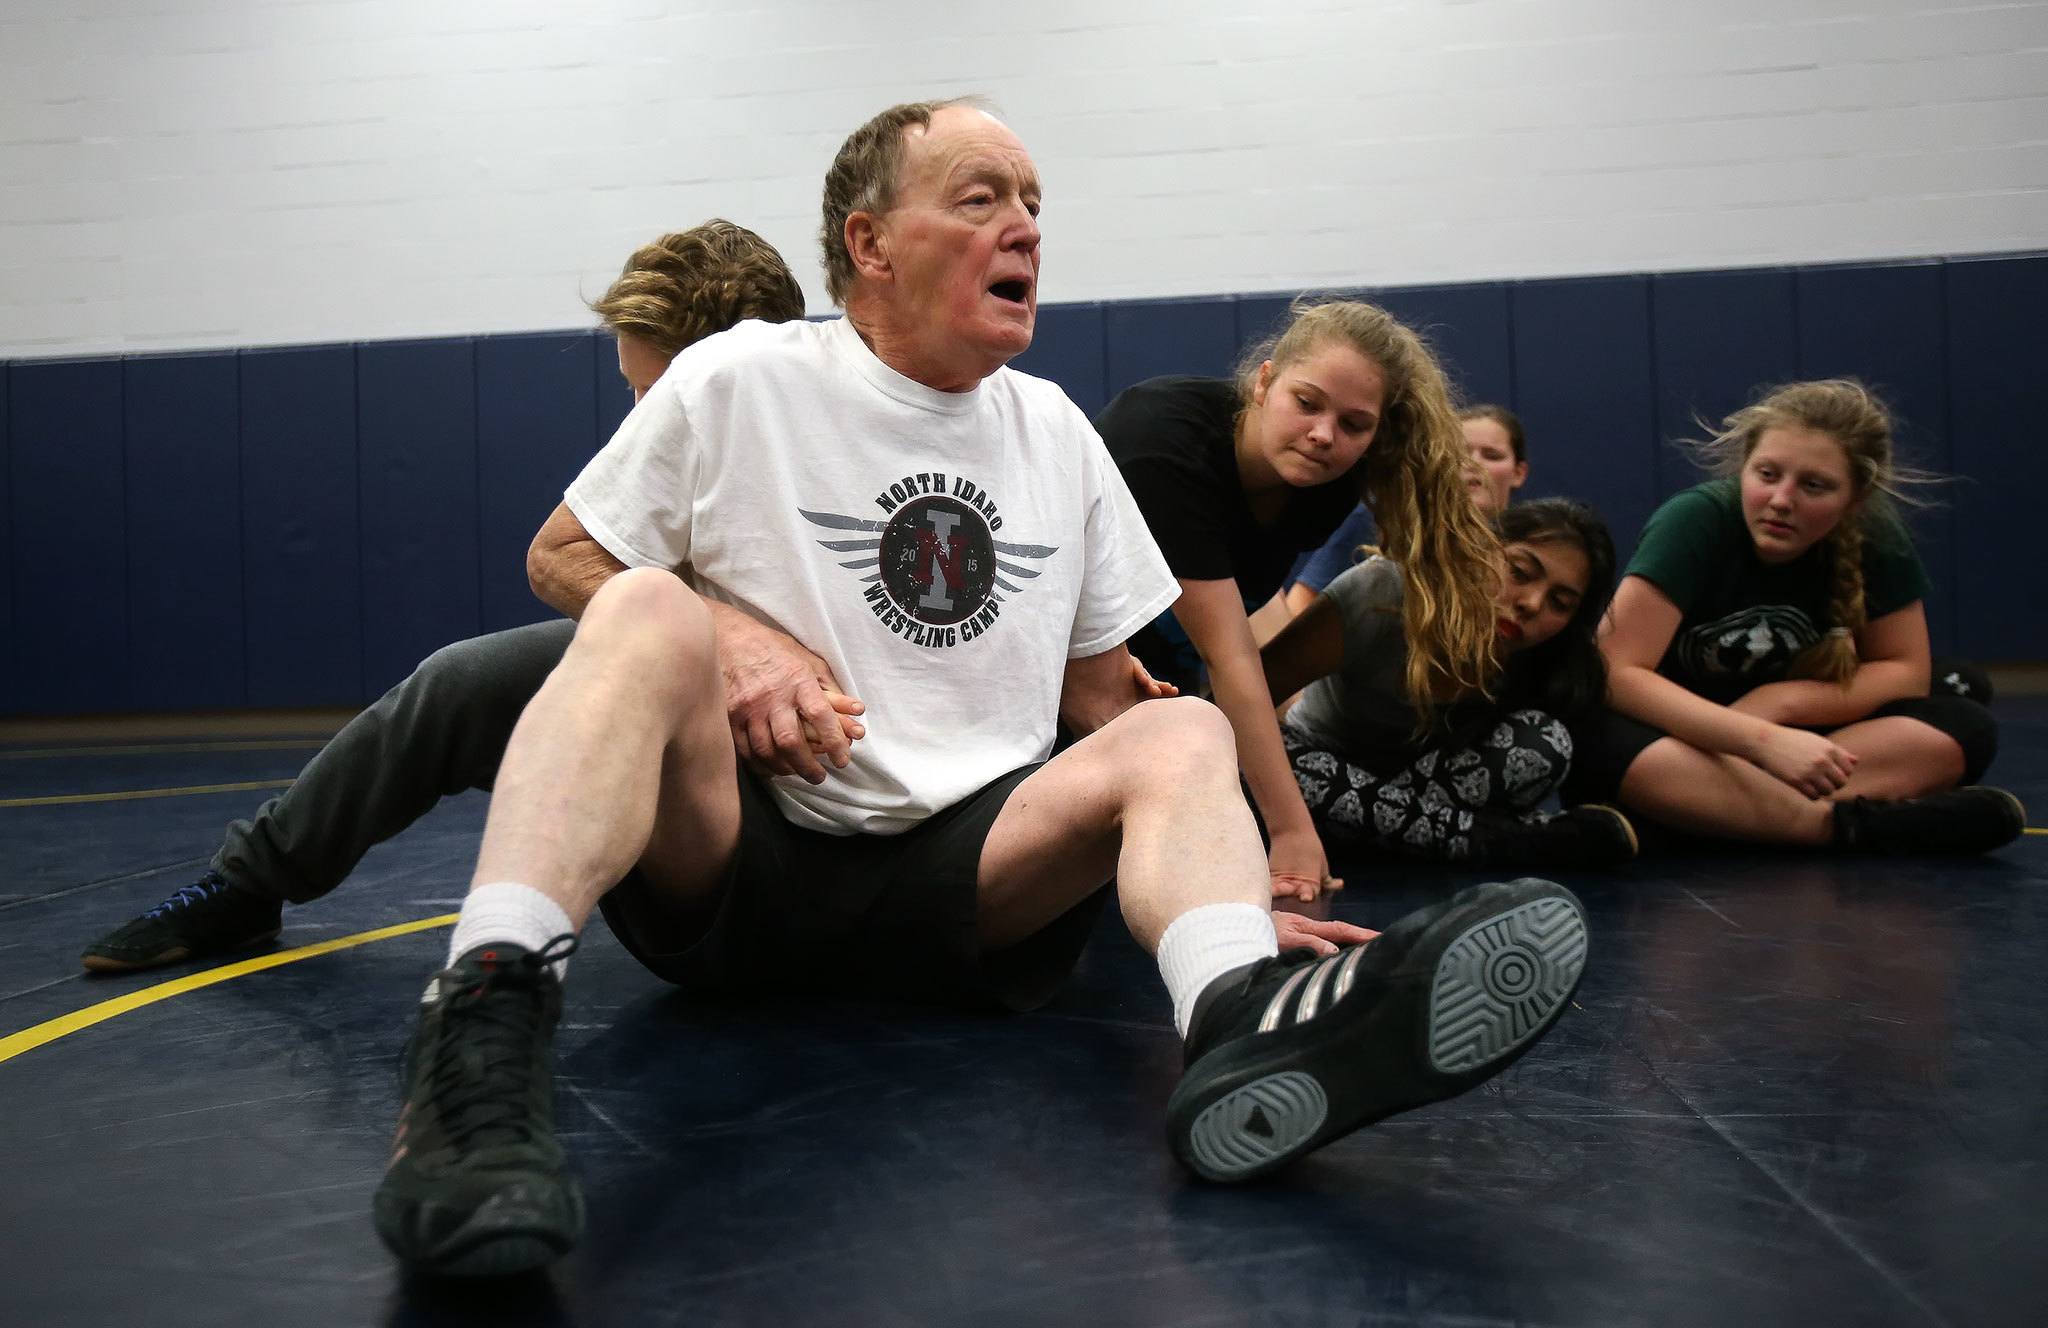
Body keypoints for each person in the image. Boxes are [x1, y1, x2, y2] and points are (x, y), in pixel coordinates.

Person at [369, 99, 1590, 1277]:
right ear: (870, 243)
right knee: (642, 601)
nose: (1025, 226)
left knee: (1178, 726)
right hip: (742, 854)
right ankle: (482, 1028)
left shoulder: (1054, 431)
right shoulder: (744, 376)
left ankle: (1241, 1016)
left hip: (958, 882)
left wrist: (1207, 895)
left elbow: (1106, 701)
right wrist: (733, 639)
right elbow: (560, 552)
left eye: (1033, 202)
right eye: (981, 198)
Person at [79, 220, 837, 974]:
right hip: (706, 767)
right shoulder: (667, 452)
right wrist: (723, 633)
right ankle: (249, 884)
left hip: (836, 773)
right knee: (463, 682)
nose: (639, 419)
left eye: (653, 394)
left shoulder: (848, 427)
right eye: (634, 392)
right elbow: (561, 559)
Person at [1096, 302, 1502, 903]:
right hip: (1061, 688)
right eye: (1306, 403)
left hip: (1166, 692)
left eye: (1354, 425)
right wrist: (1290, 829)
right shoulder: (1165, 444)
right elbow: (1230, 659)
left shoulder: (1326, 482)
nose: (1322, 435)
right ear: (1264, 382)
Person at [1567, 378, 2023, 852]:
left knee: (1964, 722)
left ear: (1856, 498)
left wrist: (1779, 704)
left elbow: (1904, 671)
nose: (1782, 501)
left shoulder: (1876, 538)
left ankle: (1714, 815)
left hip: (1790, 744)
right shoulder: (1694, 521)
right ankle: (1845, 827)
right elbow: (1615, 671)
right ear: (1742, 468)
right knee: (1589, 734)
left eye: (1814, 486)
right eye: (1766, 475)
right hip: (1687, 736)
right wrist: (1758, 740)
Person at [1265, 498, 1636, 867]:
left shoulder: (1542, 665)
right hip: (1314, 773)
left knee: (1544, 745)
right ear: (1479, 549)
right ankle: (1495, 842)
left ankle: (1369, 838)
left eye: (1560, 603)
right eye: (1520, 572)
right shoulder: (1384, 592)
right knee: (1247, 754)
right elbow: (1242, 703)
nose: (1533, 603)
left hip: (1412, 792)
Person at [1270, 403, 1531, 626]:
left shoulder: (1525, 549)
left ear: (1519, 472)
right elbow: (1301, 605)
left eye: (1492, 455)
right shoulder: (1380, 518)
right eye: (1460, 452)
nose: (1474, 464)